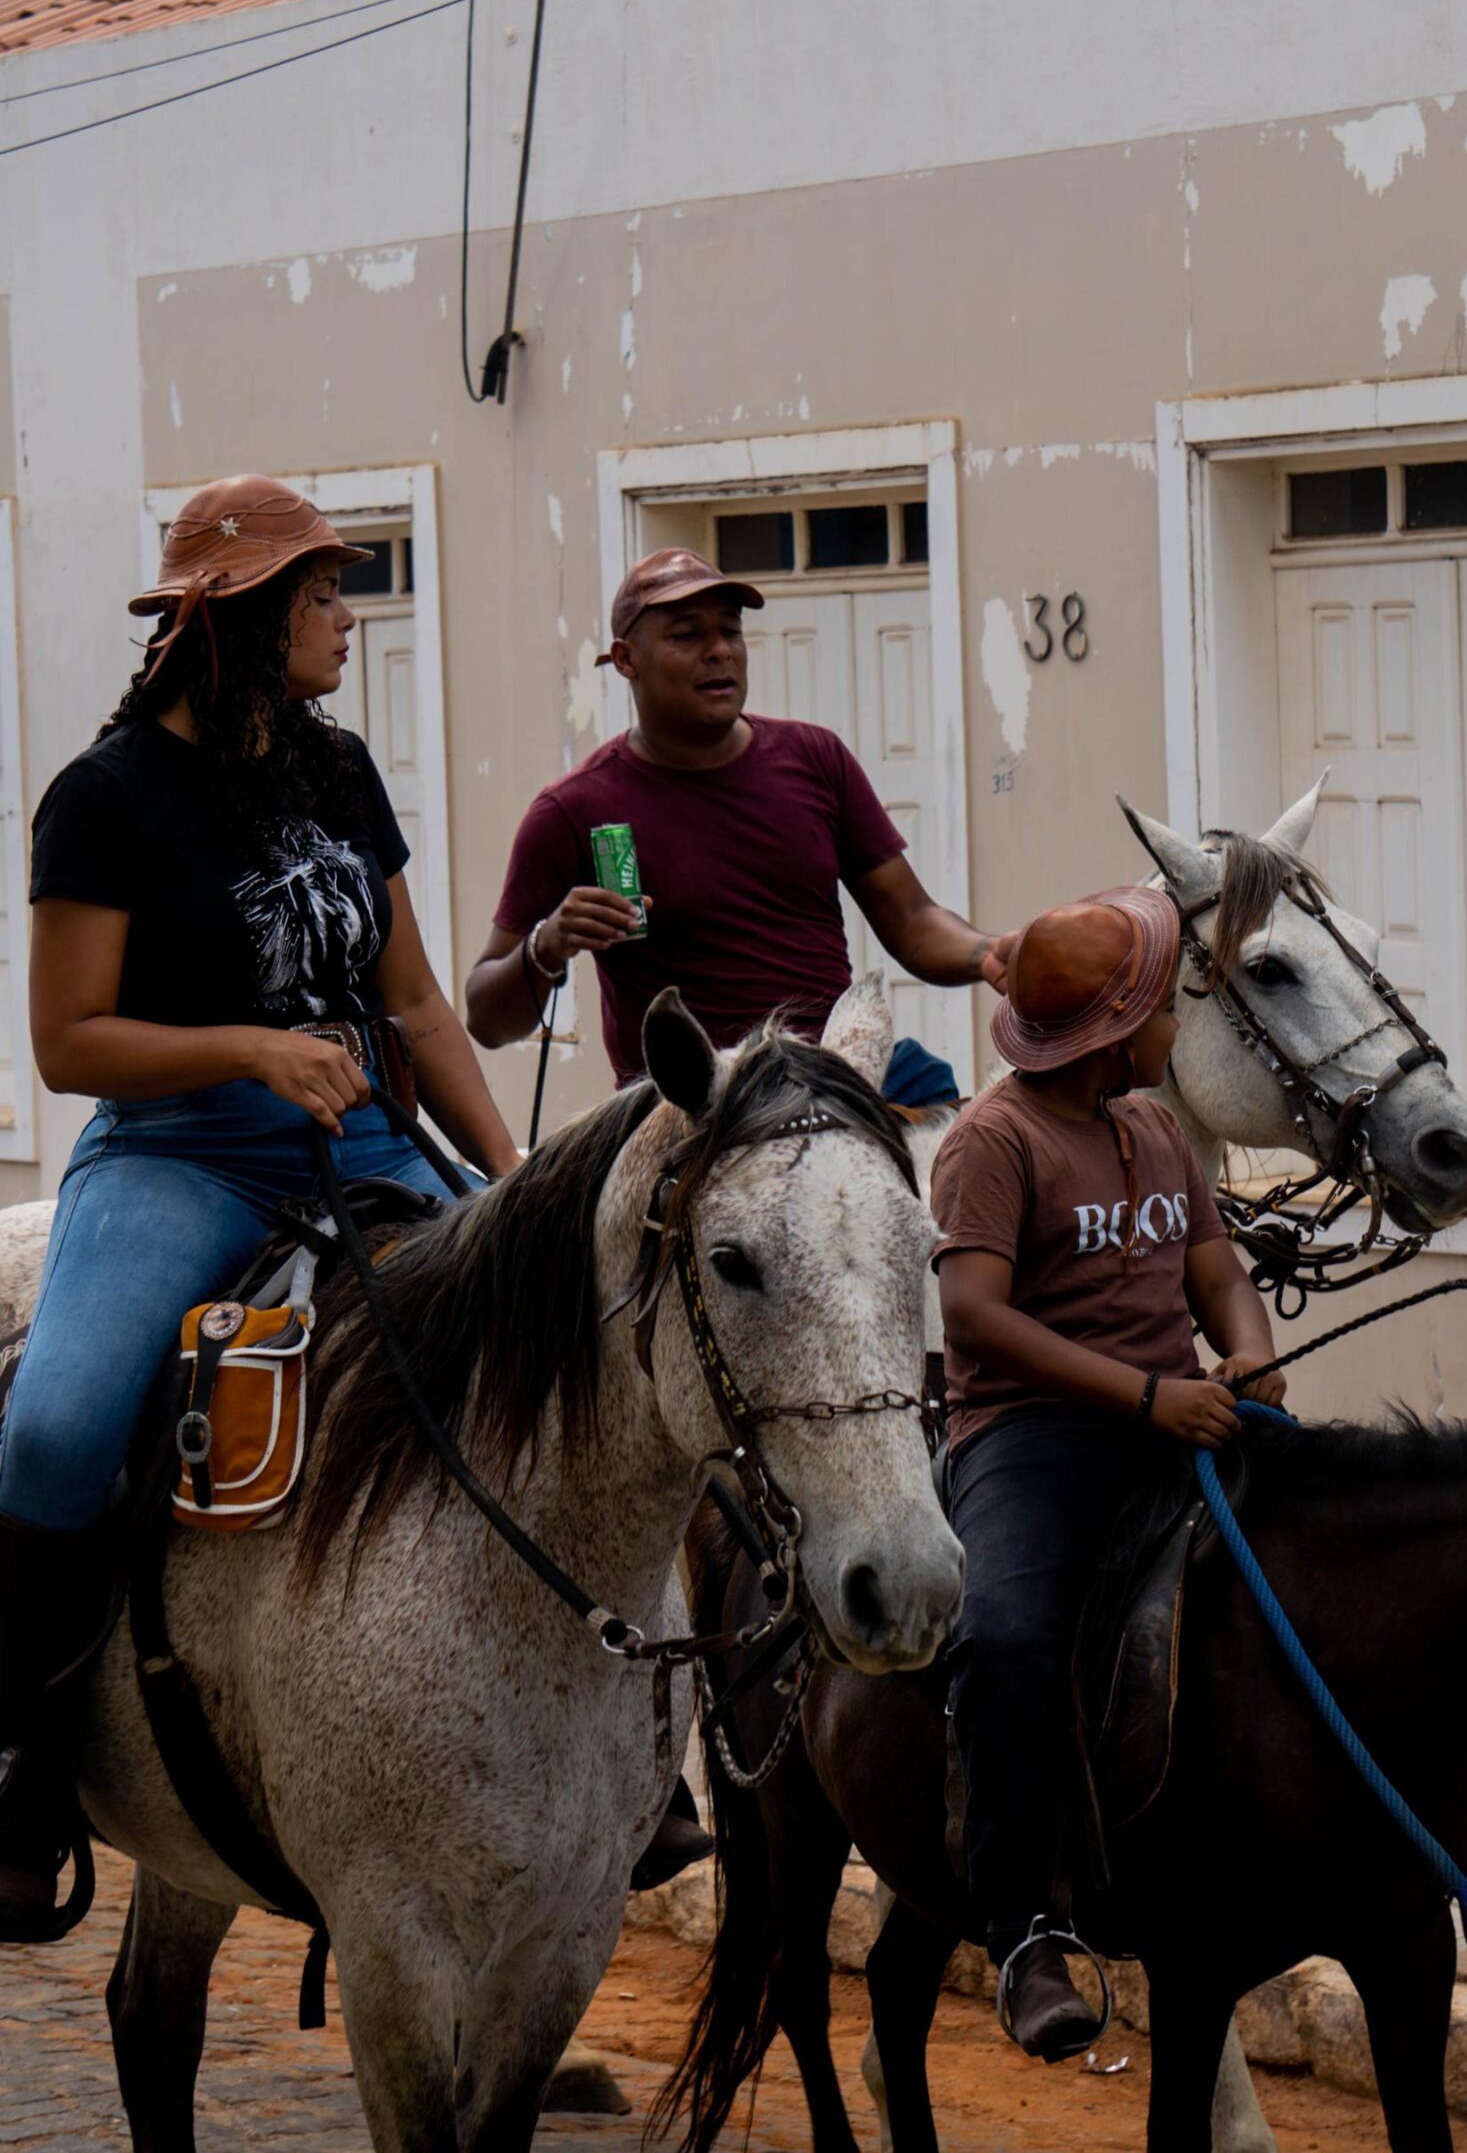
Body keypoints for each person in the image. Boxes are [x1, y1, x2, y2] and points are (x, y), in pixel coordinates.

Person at [0, 476, 523, 1940]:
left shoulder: (336, 768)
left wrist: (509, 1184)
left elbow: (418, 1005)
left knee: (554, 1341)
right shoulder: (105, 797)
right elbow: (66, 1043)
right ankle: (29, 1762)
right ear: (240, 616)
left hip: (362, 1145)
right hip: (181, 1155)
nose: (346, 618)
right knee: (52, 1431)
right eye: (321, 594)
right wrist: (250, 1049)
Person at [929, 886, 1287, 2061]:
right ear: (1115, 1032)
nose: (1177, 1025)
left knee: (1371, 1539)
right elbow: (975, 1316)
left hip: (1180, 1413)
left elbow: (1215, 1269)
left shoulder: (1159, 1130)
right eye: (1165, 1008)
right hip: (1033, 1436)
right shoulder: (992, 1140)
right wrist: (1145, 1395)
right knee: (1006, 1639)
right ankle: (1026, 1928)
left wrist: (1249, 1350)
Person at [465, 548, 1015, 1093]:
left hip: (832, 1077)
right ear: (626, 659)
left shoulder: (817, 759)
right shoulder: (572, 810)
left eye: (730, 631)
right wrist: (547, 944)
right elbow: (487, 1020)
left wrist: (988, 953)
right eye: (687, 635)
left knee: (954, 1113)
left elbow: (912, 919)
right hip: (692, 1106)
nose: (719, 651)